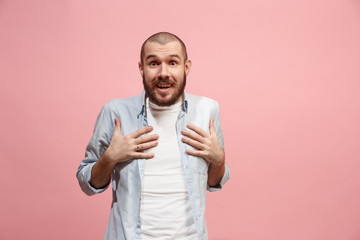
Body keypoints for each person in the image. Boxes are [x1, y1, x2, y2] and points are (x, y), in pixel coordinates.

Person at [76, 32, 230, 240]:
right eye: (153, 63)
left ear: (186, 67)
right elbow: (87, 184)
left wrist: (219, 160)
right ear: (141, 68)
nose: (163, 72)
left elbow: (212, 183)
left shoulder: (208, 109)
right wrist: (110, 158)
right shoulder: (115, 112)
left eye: (173, 62)